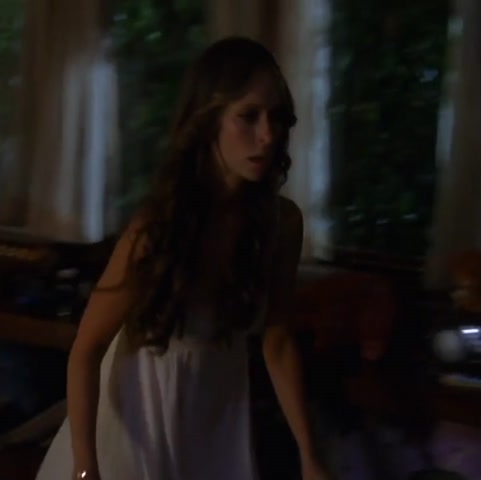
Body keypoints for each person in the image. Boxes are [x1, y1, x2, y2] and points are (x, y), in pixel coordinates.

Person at [36, 36, 331, 480]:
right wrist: (84, 467)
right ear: (209, 120)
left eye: (277, 118)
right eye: (248, 116)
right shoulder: (159, 227)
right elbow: (86, 349)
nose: (268, 135)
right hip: (137, 419)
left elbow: (278, 341)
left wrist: (309, 456)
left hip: (214, 418)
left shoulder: (281, 224)